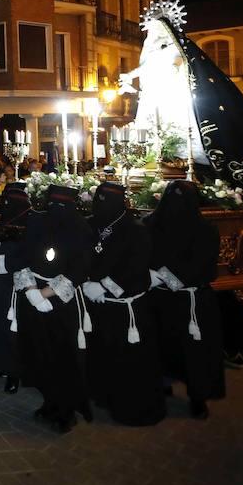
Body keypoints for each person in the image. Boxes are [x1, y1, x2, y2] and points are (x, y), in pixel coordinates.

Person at [14, 184, 93, 433]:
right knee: (40, 353)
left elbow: (79, 268)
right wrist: (31, 290)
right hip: (34, 297)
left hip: (61, 303)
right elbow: (22, 256)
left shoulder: (80, 228)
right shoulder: (38, 222)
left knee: (63, 357)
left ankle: (65, 410)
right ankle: (49, 401)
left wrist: (46, 293)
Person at [83, 182, 163, 427]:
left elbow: (136, 267)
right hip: (97, 304)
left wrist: (105, 286)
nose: (100, 206)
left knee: (128, 361)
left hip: (125, 307)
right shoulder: (90, 224)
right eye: (97, 200)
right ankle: (103, 395)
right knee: (101, 354)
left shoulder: (135, 230)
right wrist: (86, 281)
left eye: (105, 201)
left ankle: (129, 406)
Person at [147, 180, 224, 419]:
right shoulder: (150, 224)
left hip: (191, 300)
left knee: (195, 352)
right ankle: (163, 383)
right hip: (160, 298)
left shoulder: (205, 230)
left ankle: (198, 396)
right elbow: (146, 255)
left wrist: (164, 278)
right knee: (161, 345)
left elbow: (202, 266)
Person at [0, 183, 29, 394]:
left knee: (12, 328)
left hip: (13, 286)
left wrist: (6, 264)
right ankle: (2, 362)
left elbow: (28, 256)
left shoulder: (27, 226)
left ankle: (15, 371)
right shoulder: (3, 222)